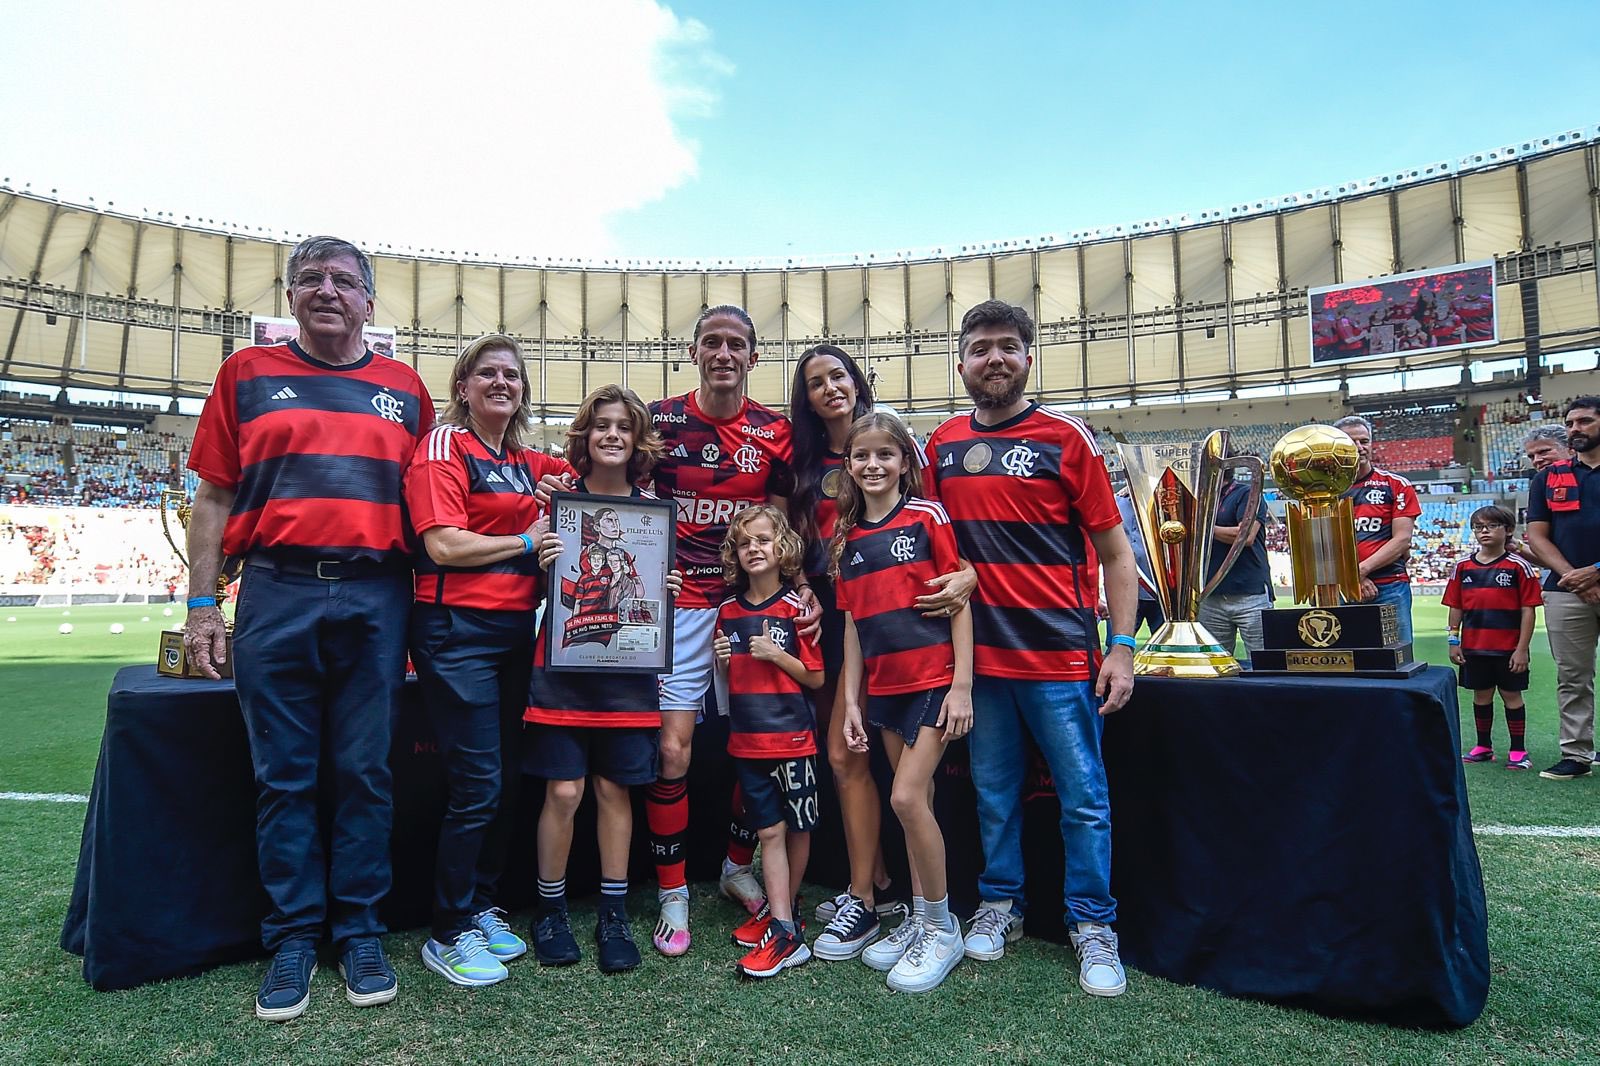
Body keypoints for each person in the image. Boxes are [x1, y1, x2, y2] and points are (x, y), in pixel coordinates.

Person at [183, 236, 433, 1021]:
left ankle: (358, 929)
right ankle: (293, 934)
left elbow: (430, 512)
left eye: (343, 280)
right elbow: (214, 501)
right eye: (310, 279)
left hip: (377, 595)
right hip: (277, 590)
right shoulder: (245, 375)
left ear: (368, 301)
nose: (326, 290)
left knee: (365, 773)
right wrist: (200, 607)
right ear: (290, 297)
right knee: (282, 776)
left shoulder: (406, 389)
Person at [923, 300, 1138, 999]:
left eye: (1008, 347)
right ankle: (1001, 904)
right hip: (979, 664)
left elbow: (1116, 553)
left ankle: (1093, 925)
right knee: (992, 795)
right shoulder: (943, 445)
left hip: (1060, 658)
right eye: (981, 347)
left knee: (1083, 799)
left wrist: (1124, 646)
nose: (995, 359)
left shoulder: (1067, 438)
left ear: (1028, 358)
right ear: (961, 363)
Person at [785, 344, 976, 942]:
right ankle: (868, 893)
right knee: (851, 757)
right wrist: (801, 590)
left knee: (905, 791)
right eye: (815, 382)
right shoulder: (806, 465)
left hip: (918, 644)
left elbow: (949, 546)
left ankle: (919, 912)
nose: (829, 389)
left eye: (837, 375)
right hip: (853, 618)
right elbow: (796, 540)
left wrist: (970, 575)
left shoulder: (915, 488)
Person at [641, 305, 814, 955]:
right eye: (711, 341)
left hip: (749, 607)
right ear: (692, 352)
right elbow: (623, 502)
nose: (723, 352)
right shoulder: (658, 423)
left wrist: (795, 591)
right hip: (681, 610)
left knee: (760, 751)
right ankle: (673, 892)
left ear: (752, 357)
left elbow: (781, 522)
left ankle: (736, 866)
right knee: (674, 754)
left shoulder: (774, 431)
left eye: (735, 344)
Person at [404, 334, 568, 986]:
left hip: (511, 631)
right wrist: (526, 538)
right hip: (455, 629)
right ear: (464, 385)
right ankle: (446, 930)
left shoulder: (527, 462)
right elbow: (443, 545)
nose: (502, 383)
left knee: (502, 778)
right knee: (478, 785)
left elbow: (590, 474)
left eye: (512, 375)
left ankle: (482, 904)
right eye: (488, 373)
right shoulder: (446, 446)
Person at [526, 384, 682, 974]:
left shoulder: (652, 510)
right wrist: (541, 562)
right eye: (601, 425)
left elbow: (659, 591)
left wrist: (664, 592)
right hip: (565, 664)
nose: (612, 434)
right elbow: (533, 585)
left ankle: (613, 912)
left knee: (616, 789)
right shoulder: (557, 503)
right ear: (584, 437)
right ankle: (551, 909)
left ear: (639, 439)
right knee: (564, 791)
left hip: (628, 670)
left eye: (623, 426)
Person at [834, 412, 973, 992]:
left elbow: (959, 601)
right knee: (920, 802)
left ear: (904, 464)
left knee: (907, 797)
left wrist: (962, 684)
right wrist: (849, 703)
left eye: (884, 455)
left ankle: (942, 929)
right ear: (848, 465)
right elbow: (852, 627)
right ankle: (919, 917)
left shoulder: (927, 517)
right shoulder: (848, 539)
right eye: (862, 456)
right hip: (884, 690)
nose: (873, 465)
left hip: (934, 681)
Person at [712, 505, 824, 978]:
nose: (754, 549)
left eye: (763, 540)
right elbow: (727, 683)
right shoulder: (726, 611)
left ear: (783, 548)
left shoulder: (796, 609)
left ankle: (786, 919)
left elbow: (816, 678)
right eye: (744, 543)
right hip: (747, 743)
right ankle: (781, 920)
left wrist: (777, 655)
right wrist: (722, 659)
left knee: (796, 829)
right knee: (769, 832)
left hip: (794, 740)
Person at [1525, 397, 1600, 781]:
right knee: (1573, 676)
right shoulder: (1547, 478)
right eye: (1570, 423)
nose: (1575, 429)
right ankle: (1577, 755)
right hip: (1564, 590)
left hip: (1582, 580)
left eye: (1585, 421)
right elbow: (1537, 536)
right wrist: (1573, 575)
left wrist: (1595, 571)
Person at [1446, 506, 1541, 771]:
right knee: (1481, 696)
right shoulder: (1462, 566)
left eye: (1491, 526)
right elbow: (1456, 606)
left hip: (1509, 649)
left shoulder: (1519, 566)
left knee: (1512, 696)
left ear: (1508, 530)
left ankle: (1518, 750)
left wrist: (1522, 649)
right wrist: (1454, 641)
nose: (1483, 531)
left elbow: (1528, 610)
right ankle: (1483, 747)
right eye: (1478, 527)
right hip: (1475, 648)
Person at [1334, 415, 1420, 645]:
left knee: (1397, 661)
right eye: (1351, 442)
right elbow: (1324, 544)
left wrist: (1359, 572)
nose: (1360, 448)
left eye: (1364, 441)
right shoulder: (1325, 492)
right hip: (1343, 589)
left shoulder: (1396, 485)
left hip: (1390, 586)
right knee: (1350, 664)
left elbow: (1402, 540)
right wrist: (1351, 580)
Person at [1196, 466, 1273, 666]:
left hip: (1250, 594)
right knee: (1213, 668)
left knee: (1264, 665)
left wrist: (1201, 526)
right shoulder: (1200, 500)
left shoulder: (1246, 493)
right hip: (1211, 596)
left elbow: (1246, 536)